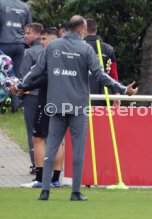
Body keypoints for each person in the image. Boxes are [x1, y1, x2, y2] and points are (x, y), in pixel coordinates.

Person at [21, 15, 137, 201]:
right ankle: (75, 192)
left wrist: (21, 85)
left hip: (56, 105)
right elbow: (100, 75)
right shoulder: (85, 49)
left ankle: (45, 191)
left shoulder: (52, 46)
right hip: (78, 107)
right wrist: (123, 89)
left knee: (51, 148)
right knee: (78, 150)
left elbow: (36, 71)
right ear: (81, 30)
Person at [20, 27, 64, 188]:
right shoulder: (66, 55)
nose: (41, 42)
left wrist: (22, 86)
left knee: (38, 138)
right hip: (61, 101)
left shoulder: (49, 55)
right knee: (57, 139)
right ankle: (56, 179)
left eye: (44, 39)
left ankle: (39, 179)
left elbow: (44, 78)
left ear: (53, 40)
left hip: (46, 100)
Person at [20, 22, 44, 175]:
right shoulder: (50, 50)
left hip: (32, 95)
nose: (25, 36)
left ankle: (36, 164)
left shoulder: (29, 53)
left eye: (28, 33)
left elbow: (24, 76)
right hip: (47, 95)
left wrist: (21, 90)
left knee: (33, 132)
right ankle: (52, 164)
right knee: (48, 133)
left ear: (36, 34)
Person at [0, 0, 32, 112]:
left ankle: (2, 103)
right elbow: (29, 26)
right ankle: (15, 104)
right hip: (19, 45)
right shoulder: (25, 6)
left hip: (3, 43)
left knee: (2, 74)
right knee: (15, 75)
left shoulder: (1, 3)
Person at [84, 19, 120, 107]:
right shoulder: (108, 49)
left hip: (82, 94)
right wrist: (117, 93)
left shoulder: (77, 47)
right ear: (96, 30)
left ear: (83, 30)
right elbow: (113, 74)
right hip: (105, 95)